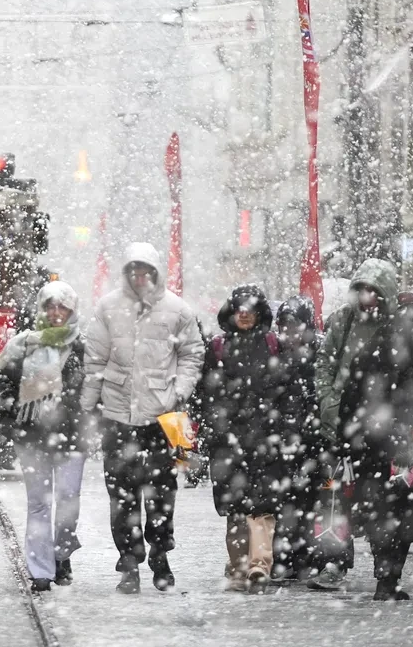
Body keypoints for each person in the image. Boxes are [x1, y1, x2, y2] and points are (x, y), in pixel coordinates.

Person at [81, 242, 204, 594]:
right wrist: (89, 406)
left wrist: (180, 390)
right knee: (121, 496)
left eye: (145, 270)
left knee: (162, 495)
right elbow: (95, 361)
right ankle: (129, 561)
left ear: (154, 273)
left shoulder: (177, 309)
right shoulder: (108, 307)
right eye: (133, 270)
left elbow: (192, 354)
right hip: (117, 418)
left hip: (161, 419)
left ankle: (160, 554)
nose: (139, 277)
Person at [312, 258, 413, 600]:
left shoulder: (397, 332)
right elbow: (326, 367)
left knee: (379, 502)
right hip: (350, 427)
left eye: (373, 291)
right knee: (339, 499)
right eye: (361, 289)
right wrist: (332, 409)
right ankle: (339, 562)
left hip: (380, 433)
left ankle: (384, 573)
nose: (366, 297)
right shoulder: (343, 323)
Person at [199, 285, 309, 593]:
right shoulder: (218, 347)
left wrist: (287, 429)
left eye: (249, 309)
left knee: (262, 507)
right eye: (239, 309)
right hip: (229, 440)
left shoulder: (274, 346)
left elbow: (290, 393)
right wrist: (213, 429)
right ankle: (238, 567)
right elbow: (206, 395)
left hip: (266, 439)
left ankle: (260, 565)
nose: (244, 315)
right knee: (235, 508)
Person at [0, 280, 86, 593]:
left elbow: (98, 387)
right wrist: (12, 417)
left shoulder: (84, 346)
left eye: (62, 306)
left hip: (72, 435)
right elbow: (0, 381)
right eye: (50, 305)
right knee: (38, 505)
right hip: (32, 436)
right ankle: (40, 571)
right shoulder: (22, 344)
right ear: (42, 309)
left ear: (71, 310)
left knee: (69, 501)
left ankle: (61, 554)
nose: (56, 312)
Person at [274, 296, 323, 582]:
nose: (290, 333)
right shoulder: (275, 354)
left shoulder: (317, 355)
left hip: (310, 441)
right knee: (283, 501)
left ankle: (304, 555)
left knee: (308, 502)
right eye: (285, 326)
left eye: (295, 326)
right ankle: (284, 557)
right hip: (282, 439)